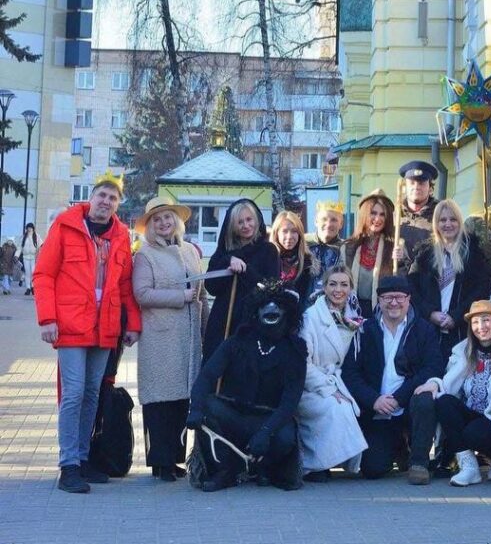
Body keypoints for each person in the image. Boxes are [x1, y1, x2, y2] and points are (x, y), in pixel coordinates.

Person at [33, 171, 142, 493]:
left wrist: (133, 324)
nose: (106, 202)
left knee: (93, 393)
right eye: (102, 196)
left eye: (113, 198)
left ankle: (81, 459)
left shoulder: (120, 236)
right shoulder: (65, 226)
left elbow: (125, 285)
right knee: (74, 393)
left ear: (117, 205)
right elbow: (43, 275)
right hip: (70, 325)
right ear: (91, 198)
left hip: (105, 327)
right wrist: (47, 319)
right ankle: (68, 465)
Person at [187, 281, 307, 492]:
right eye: (265, 306)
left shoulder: (295, 350)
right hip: (235, 414)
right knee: (208, 407)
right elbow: (207, 376)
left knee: (286, 437)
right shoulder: (236, 343)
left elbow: (290, 401)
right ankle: (225, 471)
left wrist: (266, 432)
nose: (271, 310)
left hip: (269, 418)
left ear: (288, 313)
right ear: (255, 312)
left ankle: (264, 468)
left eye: (278, 306)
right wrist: (195, 408)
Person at [341, 275, 443, 484]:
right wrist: (374, 400)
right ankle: (398, 446)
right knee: (372, 469)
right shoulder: (364, 330)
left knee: (425, 399)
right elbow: (350, 373)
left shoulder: (424, 329)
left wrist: (399, 398)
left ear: (408, 299)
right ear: (379, 300)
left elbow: (432, 367)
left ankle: (419, 462)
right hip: (377, 410)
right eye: (388, 297)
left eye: (399, 297)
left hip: (409, 405)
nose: (394, 303)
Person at [132, 196, 206, 482]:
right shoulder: (145, 255)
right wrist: (180, 297)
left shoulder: (190, 251)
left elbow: (200, 292)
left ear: (176, 221)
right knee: (160, 400)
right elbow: (142, 294)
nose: (164, 223)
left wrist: (205, 327)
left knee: (181, 399)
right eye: (157, 219)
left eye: (168, 217)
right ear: (150, 226)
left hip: (188, 338)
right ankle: (160, 462)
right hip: (160, 338)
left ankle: (175, 458)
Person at [414, 300, 491, 487]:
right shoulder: (462, 351)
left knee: (474, 433)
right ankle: (469, 466)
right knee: (444, 402)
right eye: (476, 322)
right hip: (469, 412)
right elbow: (448, 381)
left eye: (486, 320)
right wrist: (434, 384)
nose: (481, 327)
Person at [297, 265, 368, 480]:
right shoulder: (311, 317)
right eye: (333, 284)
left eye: (344, 285)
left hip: (342, 381)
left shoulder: (355, 317)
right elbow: (303, 364)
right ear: (325, 287)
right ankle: (314, 464)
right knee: (336, 407)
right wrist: (329, 388)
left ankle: (332, 460)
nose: (338, 290)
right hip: (313, 385)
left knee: (351, 406)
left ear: (351, 288)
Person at [407, 199, 491, 361]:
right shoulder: (425, 254)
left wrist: (456, 316)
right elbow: (411, 289)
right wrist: (430, 313)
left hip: (462, 331)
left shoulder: (473, 252)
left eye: (453, 219)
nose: (448, 224)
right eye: (443, 220)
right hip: (430, 331)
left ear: (459, 222)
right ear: (436, 223)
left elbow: (481, 290)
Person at [202, 199, 279, 362]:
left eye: (249, 219)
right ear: (232, 226)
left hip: (252, 323)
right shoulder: (223, 253)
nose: (246, 225)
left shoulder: (268, 251)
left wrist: (245, 270)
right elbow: (210, 286)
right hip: (222, 322)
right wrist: (228, 261)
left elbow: (271, 288)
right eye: (240, 222)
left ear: (256, 220)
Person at [340, 189, 396, 317]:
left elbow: (400, 284)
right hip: (351, 313)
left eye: (382, 214)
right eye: (373, 213)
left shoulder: (394, 248)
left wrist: (401, 261)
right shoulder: (348, 248)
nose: (377, 219)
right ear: (364, 214)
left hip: (382, 313)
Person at [395, 160, 440, 270]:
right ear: (405, 187)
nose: (416, 187)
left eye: (421, 183)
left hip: (430, 276)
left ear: (430, 188)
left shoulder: (440, 216)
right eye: (412, 183)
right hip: (398, 278)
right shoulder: (394, 215)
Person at [271, 210, 318, 309]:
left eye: (294, 231)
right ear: (276, 233)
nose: (289, 236)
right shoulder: (268, 259)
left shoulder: (308, 263)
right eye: (284, 231)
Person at [307, 200, 346, 297]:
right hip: (303, 303)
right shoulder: (303, 243)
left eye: (334, 220)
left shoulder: (346, 249)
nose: (328, 224)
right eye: (324, 219)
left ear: (341, 224)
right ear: (316, 221)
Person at [19, 223, 41, 295]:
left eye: (31, 227)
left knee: (33, 272)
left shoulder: (37, 236)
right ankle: (28, 288)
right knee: (27, 273)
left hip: (34, 257)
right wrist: (16, 255)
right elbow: (20, 247)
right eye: (28, 227)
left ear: (33, 228)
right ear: (26, 228)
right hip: (26, 257)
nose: (29, 229)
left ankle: (33, 286)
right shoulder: (23, 237)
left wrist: (41, 252)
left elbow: (41, 245)